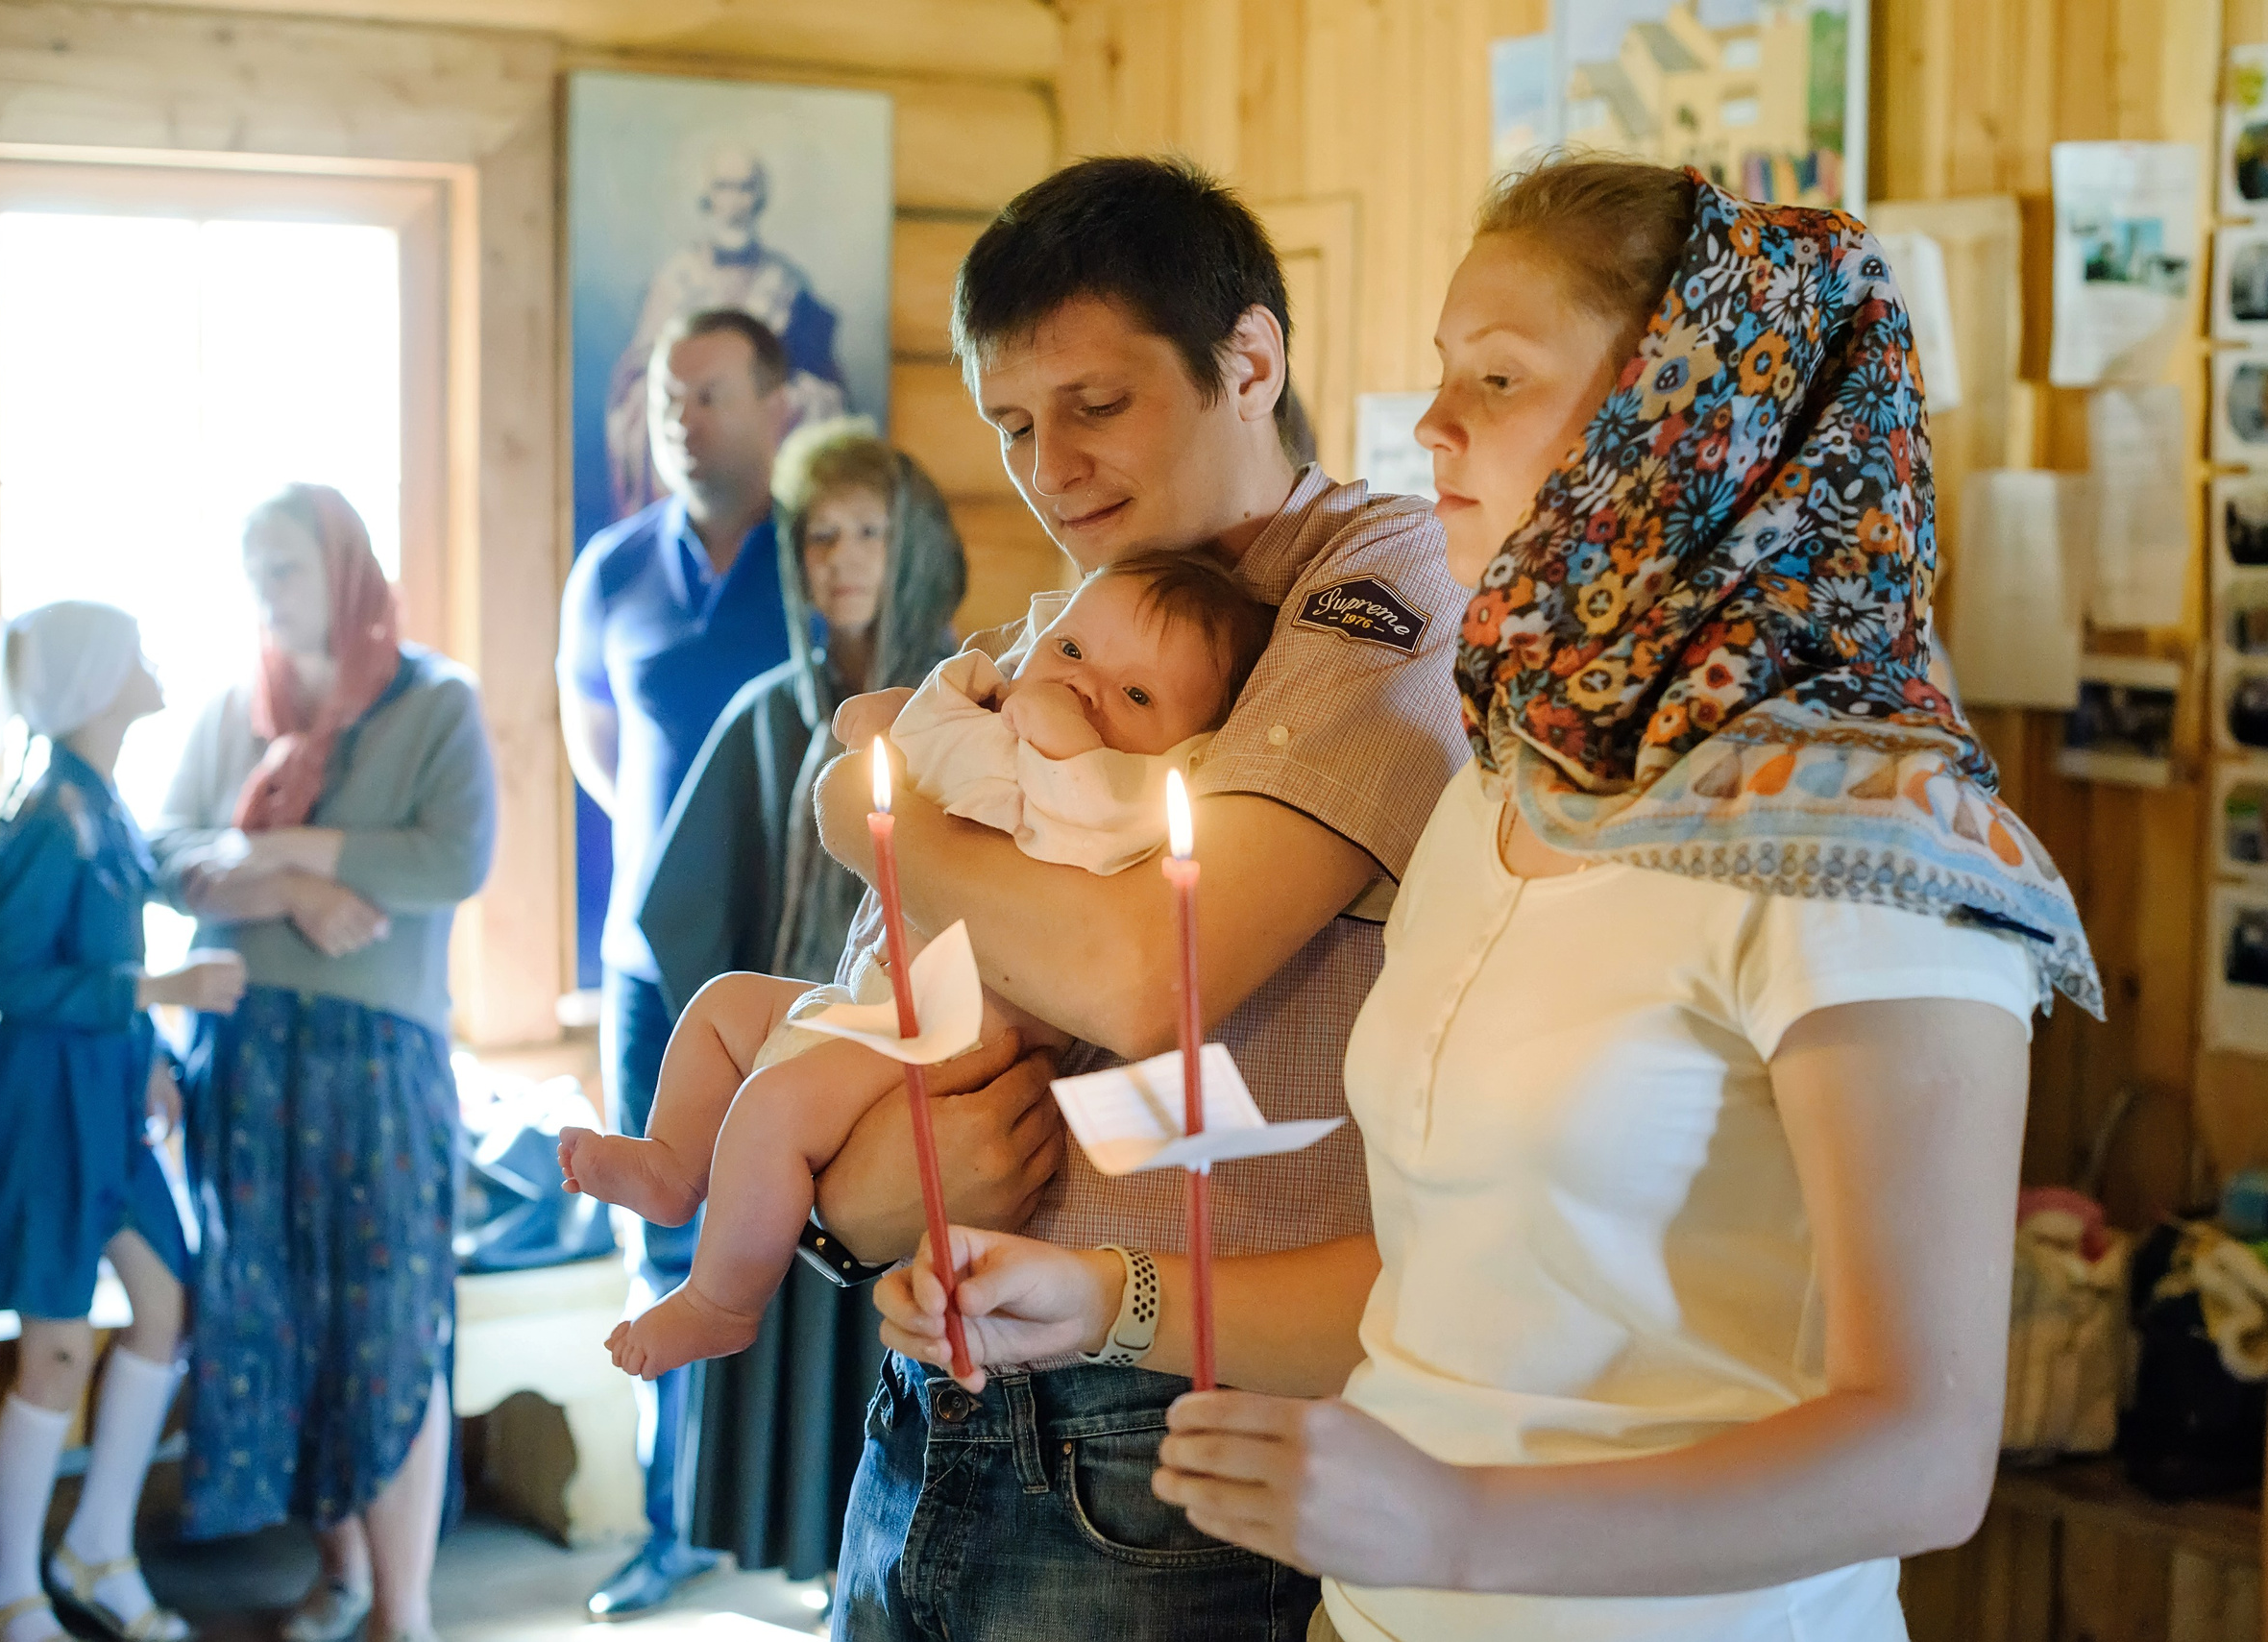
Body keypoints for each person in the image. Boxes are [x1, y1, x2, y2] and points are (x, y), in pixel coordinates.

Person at [873, 159, 2106, 1642]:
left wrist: (1458, 1523)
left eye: (1501, 377)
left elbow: (1920, 1453)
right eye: (1444, 372)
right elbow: (1424, 1276)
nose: (1434, 424)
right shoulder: (1506, 787)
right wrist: (1104, 1296)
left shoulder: (1873, 843)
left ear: (1690, 426)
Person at [804, 155, 1469, 1642]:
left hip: (1168, 1420)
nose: (1052, 471)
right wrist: (855, 1207)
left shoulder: (1378, 590)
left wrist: (870, 821)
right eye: (1014, 426)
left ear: (1249, 361)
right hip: (936, 1391)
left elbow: (1141, 976)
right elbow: (857, 1033)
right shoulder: (1055, 625)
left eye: (1095, 407)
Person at [565, 549, 1274, 1380]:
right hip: (876, 990)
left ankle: (722, 1301)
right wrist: (902, 722)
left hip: (949, 1034)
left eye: (1139, 694)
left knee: (772, 1107)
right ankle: (673, 1161)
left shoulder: (1129, 797)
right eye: (1074, 650)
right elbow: (908, 746)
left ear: (1191, 744)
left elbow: (1070, 783)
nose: (1087, 687)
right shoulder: (1004, 722)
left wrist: (1035, 711)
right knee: (725, 1007)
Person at [638, 422, 985, 1583]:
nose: (841, 558)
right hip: (802, 1068)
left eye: (869, 530)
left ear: (919, 545)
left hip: (930, 1066)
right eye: (819, 534)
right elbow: (684, 904)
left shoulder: (972, 704)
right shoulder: (768, 715)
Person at [151, 484, 496, 1642]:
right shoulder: (229, 712)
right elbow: (163, 856)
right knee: (279, 1322)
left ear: (344, 569)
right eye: (253, 572)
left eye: (286, 568)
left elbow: (450, 856)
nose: (267, 593)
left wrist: (272, 846)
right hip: (243, 1057)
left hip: (376, 1064)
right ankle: (337, 1576)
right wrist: (297, 885)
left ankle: (405, 1611)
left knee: (387, 1327)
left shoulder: (434, 700)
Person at [560, 306, 799, 1615]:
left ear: (777, 407)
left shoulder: (818, 558)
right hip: (651, 961)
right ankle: (673, 1525)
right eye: (667, 399)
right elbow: (599, 754)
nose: (684, 419)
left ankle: (793, 1528)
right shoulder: (609, 569)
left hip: (787, 953)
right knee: (662, 1245)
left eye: (710, 394)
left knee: (803, 1239)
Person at [0, 603, 245, 1642]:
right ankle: (12, 1595)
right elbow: (15, 977)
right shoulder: (49, 812)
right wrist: (163, 986)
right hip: (43, 1109)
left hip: (107, 1099)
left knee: (164, 1305)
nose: (151, 665)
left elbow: (96, 963)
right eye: (131, 652)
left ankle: (99, 1546)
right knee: (56, 1347)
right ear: (91, 679)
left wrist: (155, 1055)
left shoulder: (103, 804)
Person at [604, 150, 847, 518]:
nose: (734, 204)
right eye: (724, 188)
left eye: (745, 189)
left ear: (759, 198)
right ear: (708, 197)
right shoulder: (674, 282)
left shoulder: (788, 285)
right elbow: (634, 377)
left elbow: (824, 379)